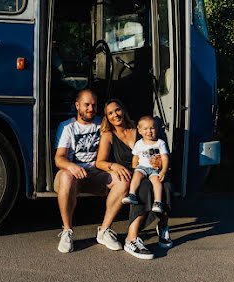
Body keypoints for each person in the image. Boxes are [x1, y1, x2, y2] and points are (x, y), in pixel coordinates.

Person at [96, 99, 173, 260]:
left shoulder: (141, 129)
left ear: (123, 110)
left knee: (165, 184)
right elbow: (100, 162)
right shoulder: (109, 135)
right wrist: (114, 166)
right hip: (131, 174)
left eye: (117, 110)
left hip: (151, 170)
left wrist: (159, 161)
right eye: (110, 113)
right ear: (107, 117)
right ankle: (131, 239)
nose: (115, 115)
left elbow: (160, 151)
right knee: (143, 188)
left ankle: (163, 226)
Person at [54, 89, 127, 253]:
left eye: (94, 105)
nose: (90, 109)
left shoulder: (103, 124)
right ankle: (67, 231)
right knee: (66, 176)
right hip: (73, 175)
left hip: (97, 174)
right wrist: (72, 166)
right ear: (77, 105)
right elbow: (59, 158)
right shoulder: (67, 127)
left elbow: (124, 133)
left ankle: (104, 231)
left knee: (122, 181)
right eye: (86, 105)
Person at [124, 116, 169, 213]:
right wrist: (134, 169)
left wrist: (163, 171)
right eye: (145, 129)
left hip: (154, 169)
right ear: (139, 130)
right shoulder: (139, 144)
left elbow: (165, 158)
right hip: (142, 168)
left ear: (156, 129)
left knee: (157, 182)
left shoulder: (160, 143)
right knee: (136, 176)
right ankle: (132, 195)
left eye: (152, 128)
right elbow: (135, 157)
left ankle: (157, 202)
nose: (149, 131)